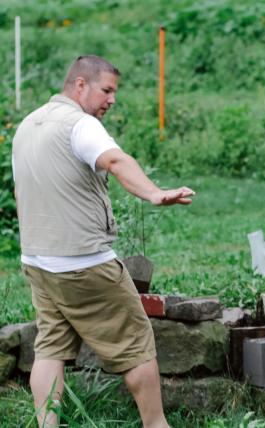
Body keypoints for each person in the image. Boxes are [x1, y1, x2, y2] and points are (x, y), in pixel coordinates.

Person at [12, 55, 195, 428]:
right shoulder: (81, 125)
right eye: (106, 90)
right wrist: (154, 193)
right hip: (84, 263)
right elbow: (115, 160)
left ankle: (46, 425)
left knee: (50, 348)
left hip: (38, 262)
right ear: (80, 85)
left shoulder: (27, 125)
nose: (111, 100)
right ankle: (156, 424)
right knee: (136, 343)